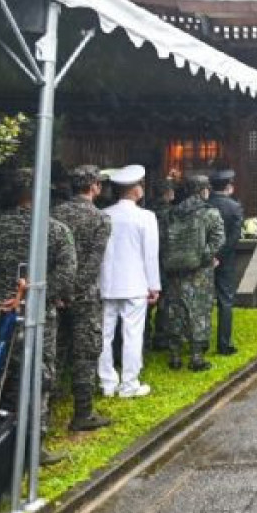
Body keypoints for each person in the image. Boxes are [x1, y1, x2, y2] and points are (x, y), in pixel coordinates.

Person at [0, 168, 76, 464]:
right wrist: (41, 296)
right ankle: (33, 447)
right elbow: (67, 274)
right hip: (39, 315)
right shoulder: (55, 230)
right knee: (38, 377)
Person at [50, 165, 113, 432]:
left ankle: (47, 410)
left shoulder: (55, 213)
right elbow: (92, 262)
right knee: (85, 351)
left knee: (55, 350)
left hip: (55, 293)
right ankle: (83, 412)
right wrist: (75, 290)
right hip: (84, 294)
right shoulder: (100, 218)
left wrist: (59, 291)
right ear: (95, 186)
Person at [98, 165, 159, 398]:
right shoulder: (146, 217)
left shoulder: (104, 214)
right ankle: (129, 383)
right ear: (135, 190)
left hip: (107, 282)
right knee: (133, 334)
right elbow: (150, 254)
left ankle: (107, 382)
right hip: (135, 283)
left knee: (104, 334)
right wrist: (154, 285)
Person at [162, 175, 225, 372]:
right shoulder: (210, 213)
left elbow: (164, 241)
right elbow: (218, 240)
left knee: (175, 310)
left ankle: (174, 355)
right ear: (203, 190)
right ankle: (196, 357)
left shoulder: (173, 212)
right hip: (199, 272)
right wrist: (204, 257)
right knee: (199, 311)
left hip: (174, 269)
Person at [207, 170, 243, 356]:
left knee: (202, 302)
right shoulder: (234, 207)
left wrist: (210, 255)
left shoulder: (205, 205)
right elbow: (234, 237)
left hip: (204, 259)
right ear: (229, 186)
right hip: (226, 260)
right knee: (225, 301)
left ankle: (200, 343)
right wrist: (220, 256)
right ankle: (224, 344)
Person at [147, 177, 176, 351]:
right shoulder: (171, 213)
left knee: (145, 304)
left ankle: (145, 337)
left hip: (148, 260)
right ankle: (161, 337)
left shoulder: (146, 210)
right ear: (166, 192)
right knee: (165, 301)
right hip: (165, 260)